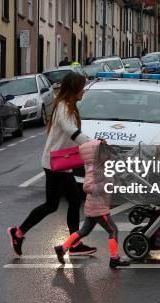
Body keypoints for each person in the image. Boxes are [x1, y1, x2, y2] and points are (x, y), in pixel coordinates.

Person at [8, 72, 96, 256]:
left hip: (61, 164)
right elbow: (69, 129)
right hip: (55, 164)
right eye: (81, 88)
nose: (83, 92)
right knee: (61, 203)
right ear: (74, 89)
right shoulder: (63, 107)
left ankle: (20, 233)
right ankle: (21, 233)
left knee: (60, 203)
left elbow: (72, 132)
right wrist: (90, 143)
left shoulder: (69, 106)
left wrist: (91, 141)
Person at [54, 140, 130, 268]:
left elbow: (114, 163)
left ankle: (62, 248)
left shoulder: (102, 163)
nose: (107, 149)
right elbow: (87, 187)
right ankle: (114, 258)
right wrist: (105, 186)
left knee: (84, 231)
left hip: (93, 207)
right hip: (98, 207)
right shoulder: (95, 169)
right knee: (113, 230)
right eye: (104, 148)